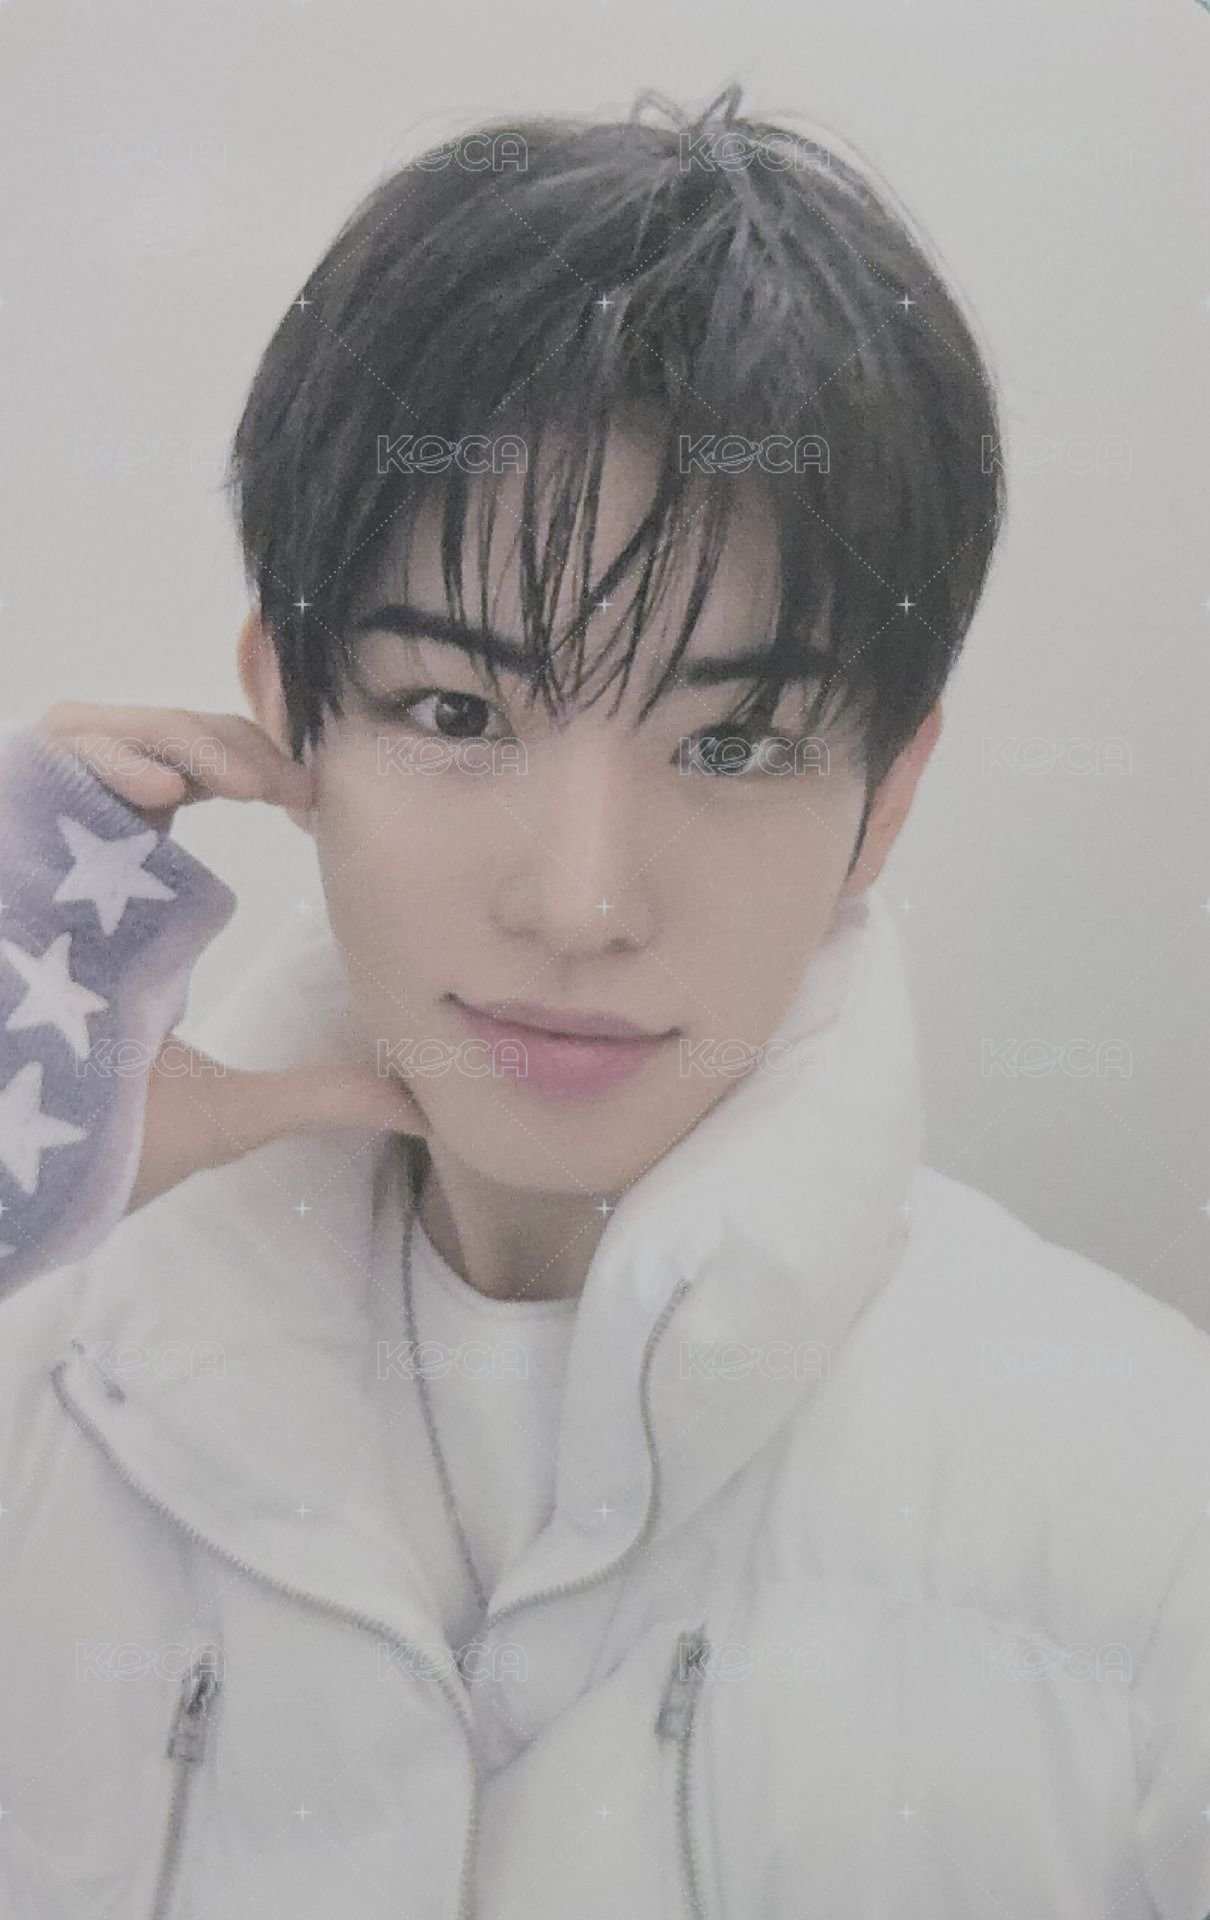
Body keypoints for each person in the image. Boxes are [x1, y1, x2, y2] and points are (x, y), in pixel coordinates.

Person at [1, 82, 1208, 1920]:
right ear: (288, 711)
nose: (578, 902)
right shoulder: (41, 1378)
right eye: (456, 711)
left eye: (733, 740)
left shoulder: (1151, 1510)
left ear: (886, 796)